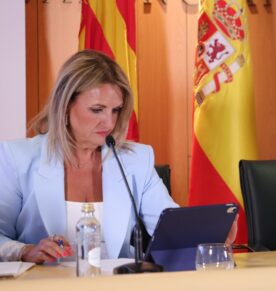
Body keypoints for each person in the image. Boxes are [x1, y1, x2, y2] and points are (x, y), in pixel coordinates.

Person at [0, 50, 178, 263]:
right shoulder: (17, 158)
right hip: (44, 289)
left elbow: (173, 231)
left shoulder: (137, 159)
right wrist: (25, 251)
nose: (109, 123)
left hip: (118, 290)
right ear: (65, 106)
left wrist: (209, 230)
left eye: (116, 110)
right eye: (97, 110)